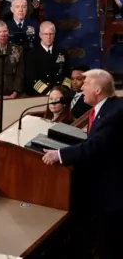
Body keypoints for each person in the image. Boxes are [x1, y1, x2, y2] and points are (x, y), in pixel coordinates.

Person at [42, 69, 123, 259]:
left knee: (110, 242)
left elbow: (95, 145)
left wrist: (59, 155)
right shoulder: (106, 108)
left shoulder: (114, 113)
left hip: (111, 189)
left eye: (85, 84)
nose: (81, 88)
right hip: (103, 185)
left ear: (97, 90)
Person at [25, 21, 71, 96]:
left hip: (60, 93)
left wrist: (64, 89)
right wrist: (49, 92)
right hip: (41, 94)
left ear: (54, 35)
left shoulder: (61, 51)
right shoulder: (32, 54)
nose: (48, 37)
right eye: (46, 34)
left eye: (51, 34)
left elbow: (67, 73)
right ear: (40, 35)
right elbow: (32, 79)